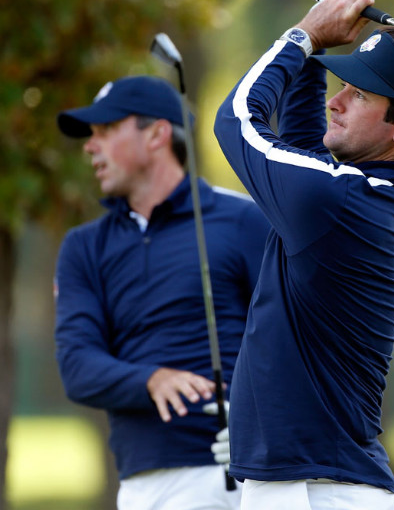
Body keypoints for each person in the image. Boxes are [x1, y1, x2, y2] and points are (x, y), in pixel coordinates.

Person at [212, 0, 394, 510]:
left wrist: (303, 35)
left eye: (361, 95)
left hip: (307, 487)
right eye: (341, 85)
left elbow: (236, 120)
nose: (338, 102)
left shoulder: (336, 200)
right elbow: (307, 148)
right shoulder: (390, 197)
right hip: (327, 480)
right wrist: (318, 47)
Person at [53, 74, 270, 510]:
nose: (90, 146)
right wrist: (150, 379)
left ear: (157, 134)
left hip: (230, 477)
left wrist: (267, 431)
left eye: (106, 131)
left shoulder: (244, 220)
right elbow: (77, 365)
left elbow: (291, 342)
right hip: (138, 484)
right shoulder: (83, 247)